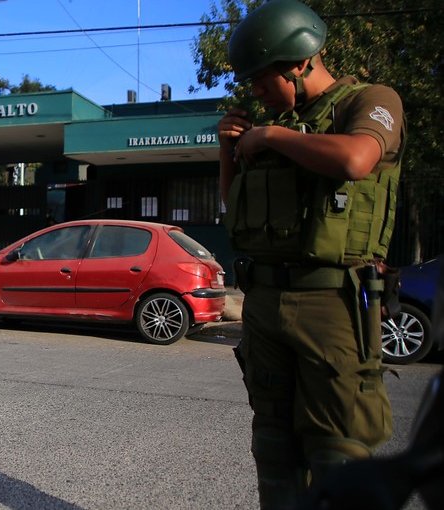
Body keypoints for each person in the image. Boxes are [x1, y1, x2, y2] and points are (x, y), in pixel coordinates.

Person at [217, 0, 405, 508]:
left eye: (262, 78)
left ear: (301, 63)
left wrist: (271, 136)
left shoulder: (368, 102)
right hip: (265, 302)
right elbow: (232, 212)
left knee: (336, 450)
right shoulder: (276, 124)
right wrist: (229, 151)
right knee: (273, 447)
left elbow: (355, 159)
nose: (255, 90)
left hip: (332, 305)